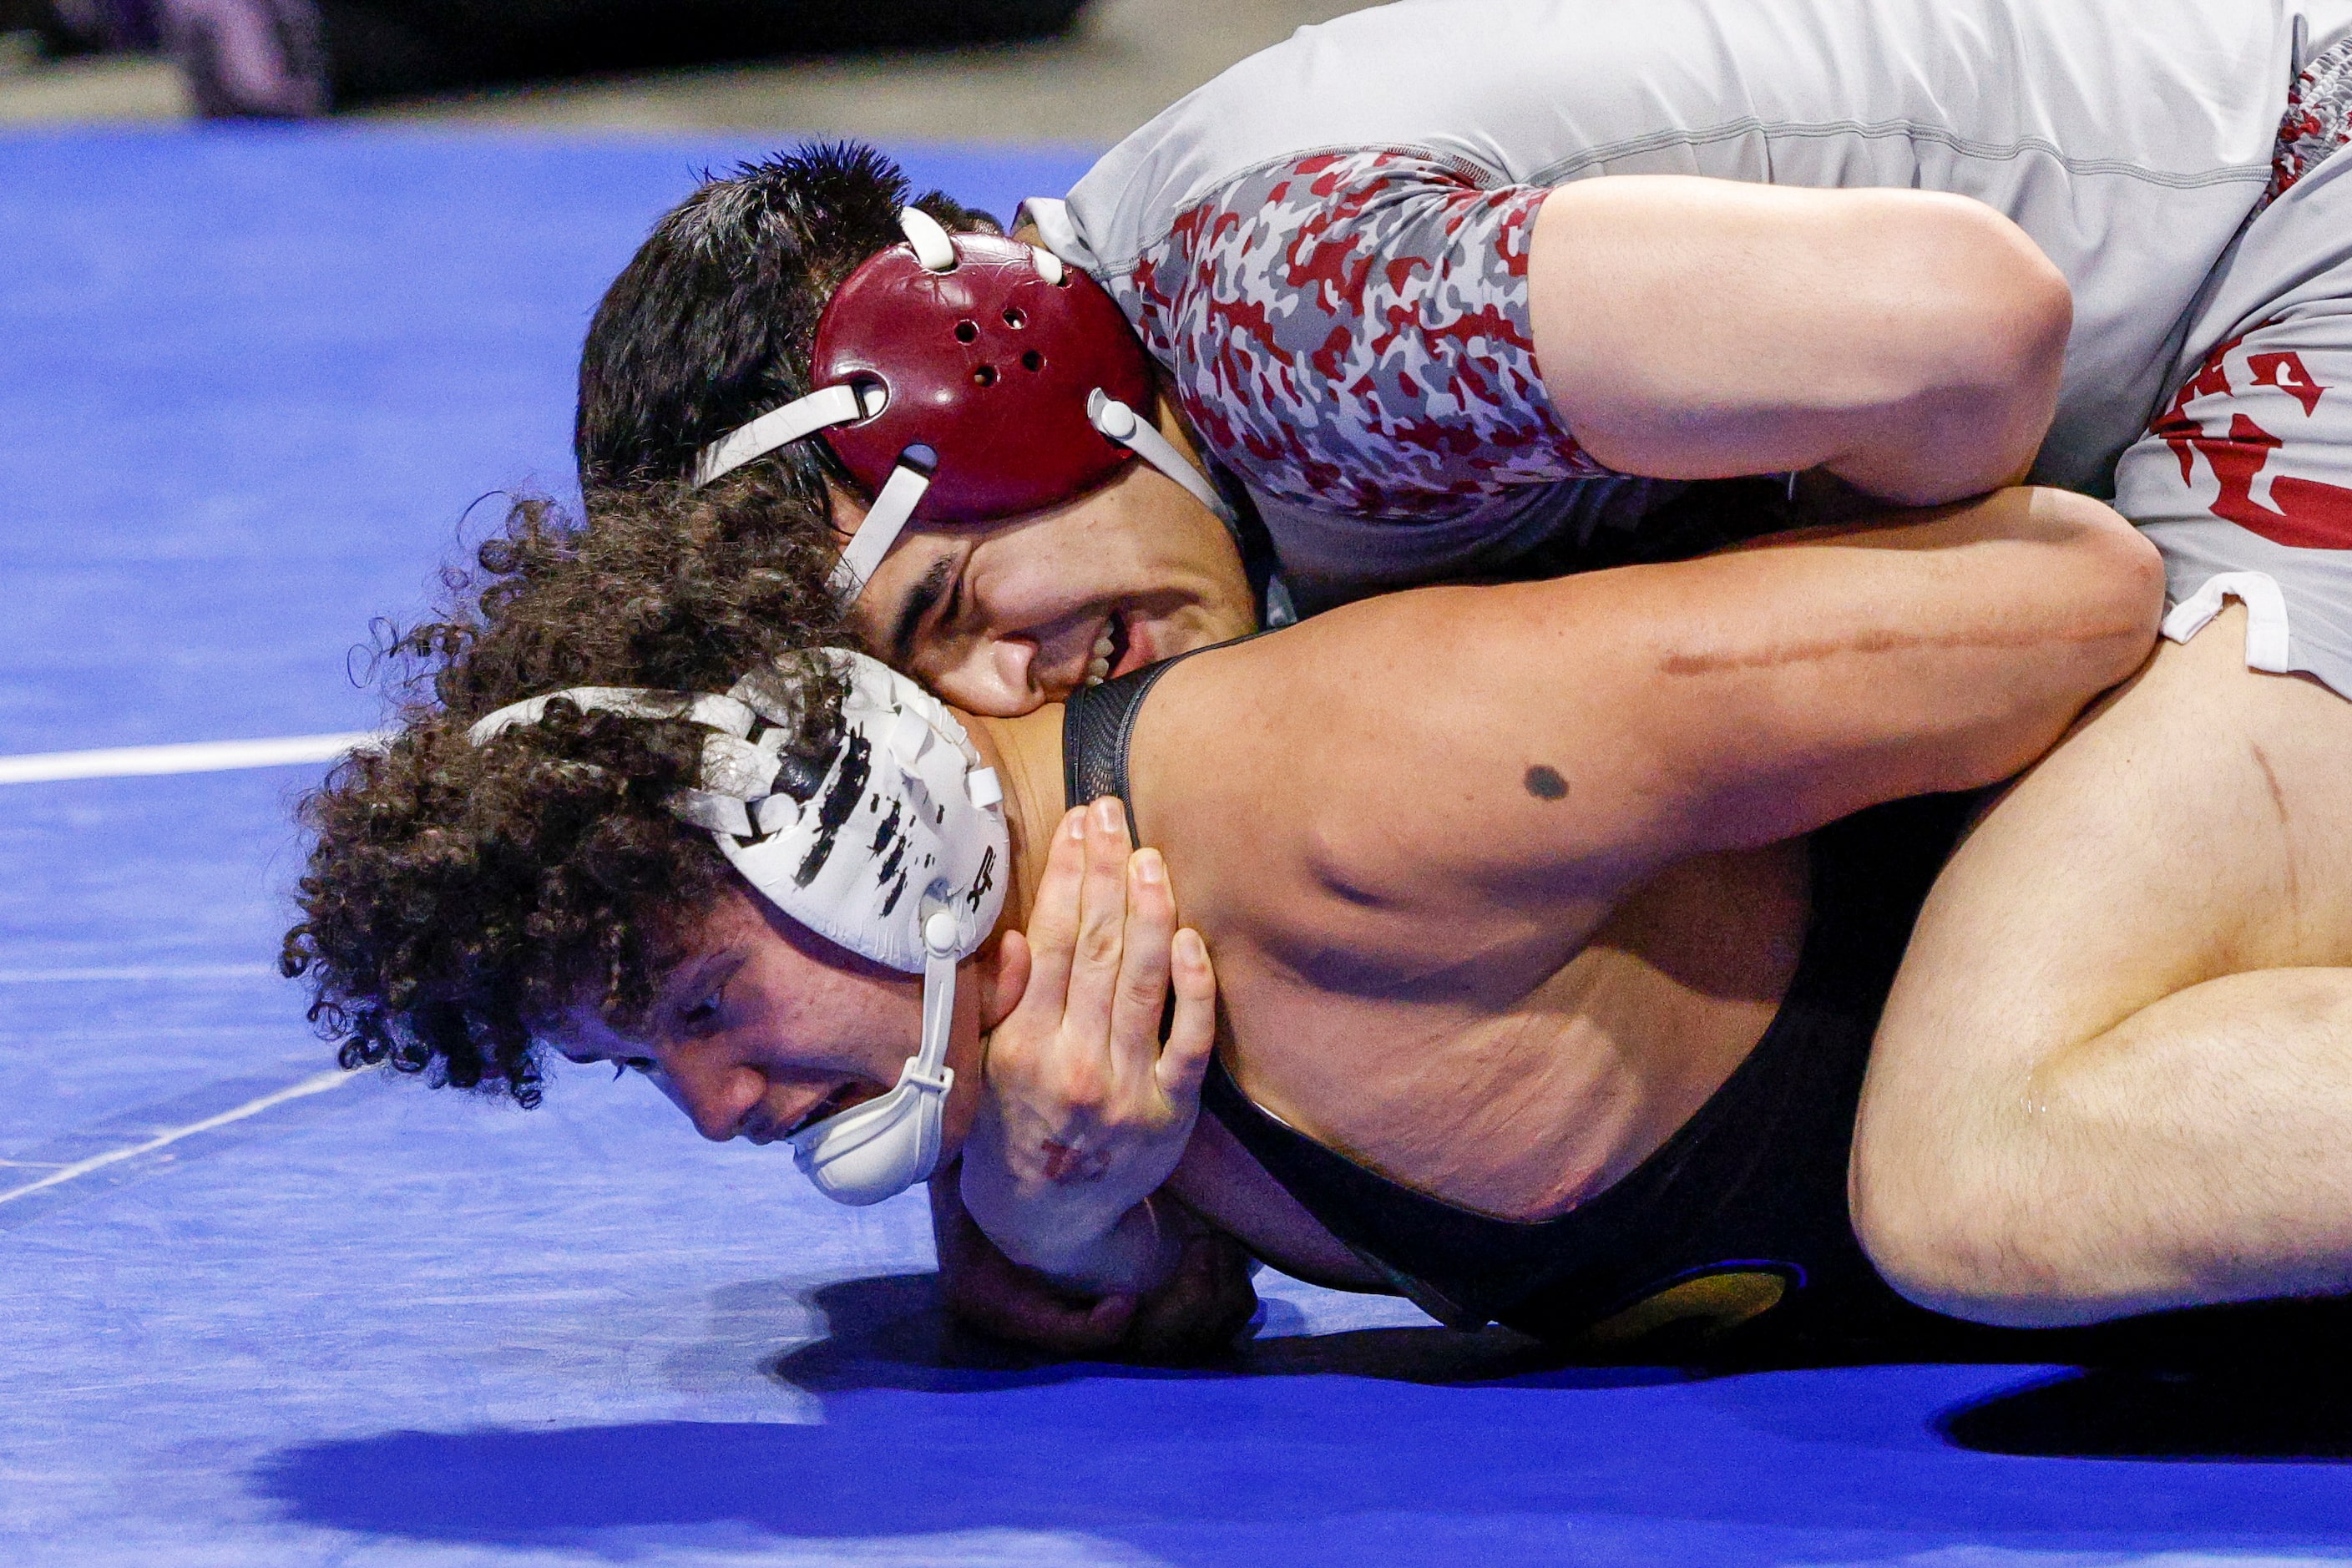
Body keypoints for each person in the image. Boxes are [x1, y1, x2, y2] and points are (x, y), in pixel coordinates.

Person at [283, 468, 2162, 1358]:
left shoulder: (1352, 792)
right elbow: (1130, 1313)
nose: (713, 1109)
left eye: (696, 1002)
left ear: (851, 826)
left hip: (2206, 755)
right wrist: (1062, 1197)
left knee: (1983, 1199)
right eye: (642, 1072)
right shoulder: (1027, 1070)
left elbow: (2073, 600)